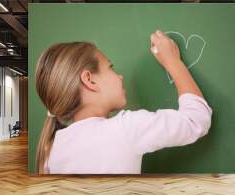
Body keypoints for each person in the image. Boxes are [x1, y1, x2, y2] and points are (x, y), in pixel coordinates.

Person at [35, 30, 212, 174]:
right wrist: (173, 61)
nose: (119, 76)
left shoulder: (52, 148)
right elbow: (196, 120)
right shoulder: (126, 128)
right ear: (90, 80)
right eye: (110, 67)